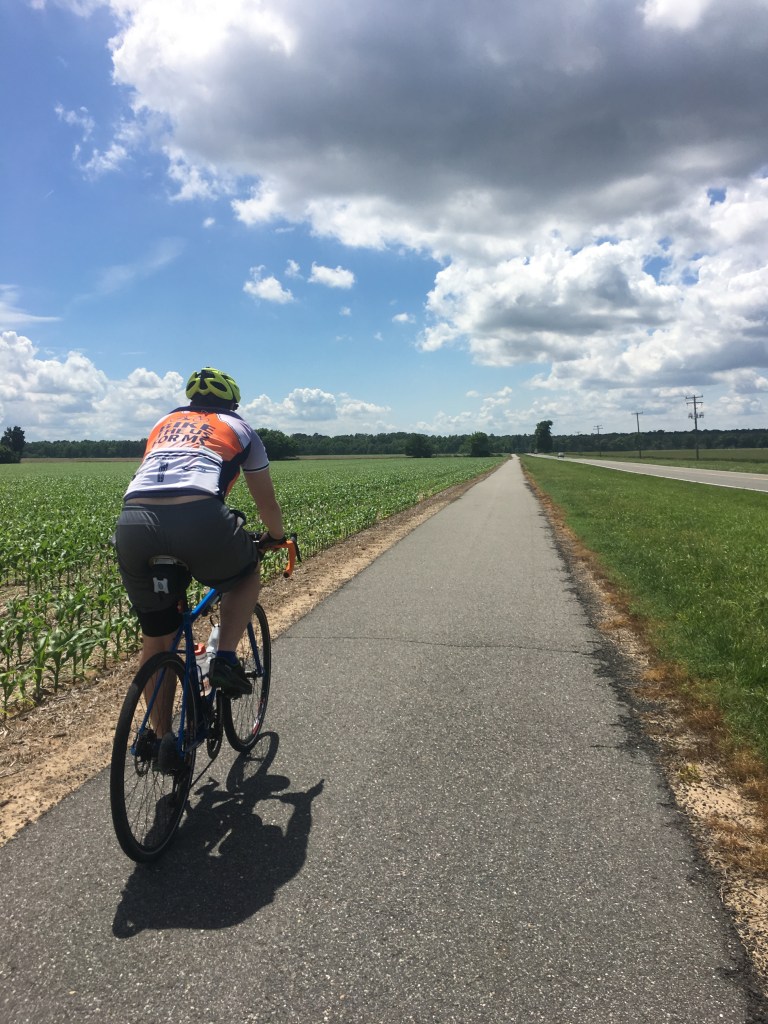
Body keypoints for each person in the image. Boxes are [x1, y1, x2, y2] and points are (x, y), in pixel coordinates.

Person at [113, 366, 285, 770]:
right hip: (201, 519)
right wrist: (274, 536)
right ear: (232, 403)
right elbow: (266, 505)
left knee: (157, 640)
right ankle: (224, 658)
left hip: (133, 524)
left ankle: (162, 738)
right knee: (245, 573)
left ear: (190, 402)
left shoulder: (163, 423)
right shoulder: (240, 429)